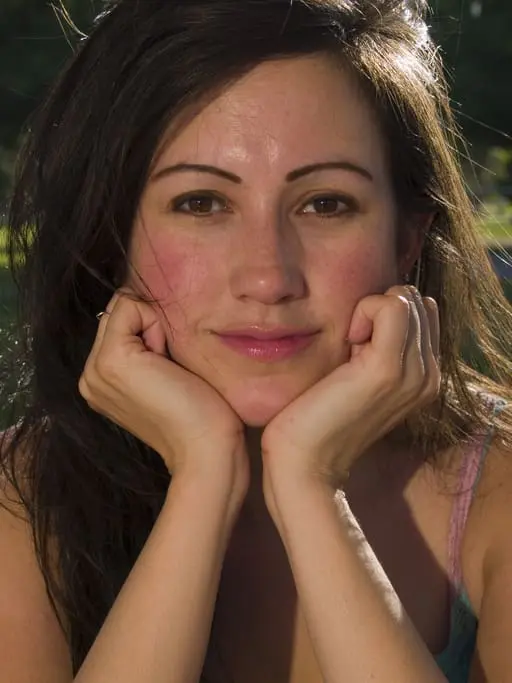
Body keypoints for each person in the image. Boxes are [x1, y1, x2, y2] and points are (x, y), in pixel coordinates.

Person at [1, 0, 512, 681]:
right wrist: (203, 479)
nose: (268, 278)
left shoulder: (498, 493)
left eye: (326, 203)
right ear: (111, 238)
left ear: (406, 241)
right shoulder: (22, 498)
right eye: (201, 203)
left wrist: (309, 486)